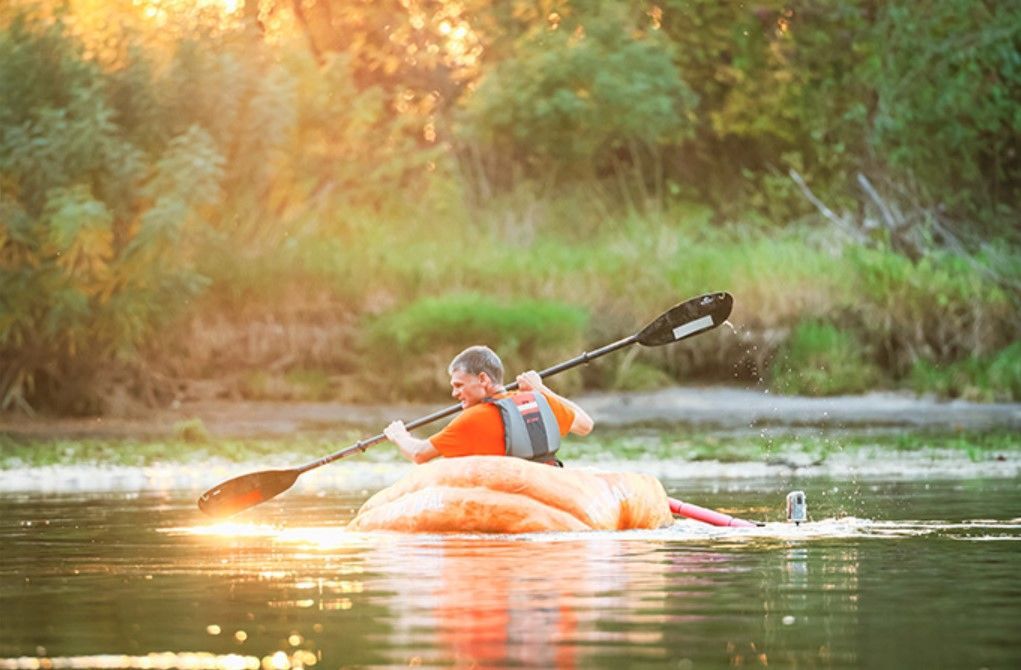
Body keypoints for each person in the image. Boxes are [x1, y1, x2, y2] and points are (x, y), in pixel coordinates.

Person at [383, 345, 594, 465]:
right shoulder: (538, 401)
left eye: (459, 385)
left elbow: (419, 454)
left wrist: (400, 435)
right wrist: (541, 389)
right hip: (550, 483)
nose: (454, 393)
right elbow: (585, 425)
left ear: (483, 380)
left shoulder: (474, 418)